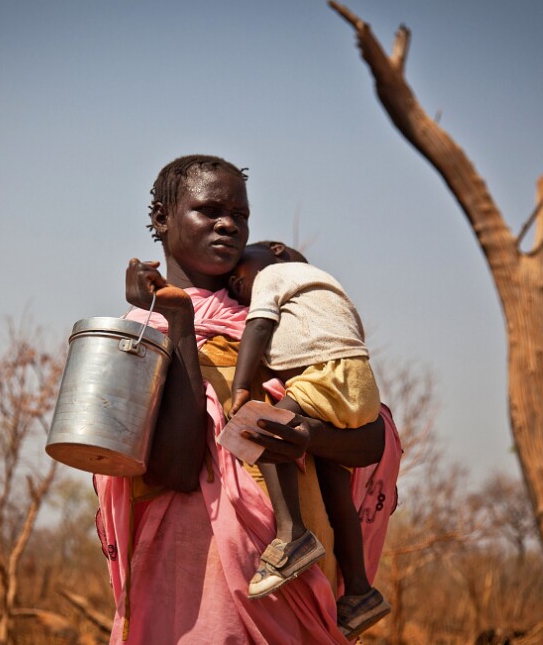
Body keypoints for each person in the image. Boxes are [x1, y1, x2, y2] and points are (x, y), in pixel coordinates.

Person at [94, 154, 401, 644]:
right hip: (196, 588)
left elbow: (367, 440)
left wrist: (306, 435)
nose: (228, 225)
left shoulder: (284, 319)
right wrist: (179, 323)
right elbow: (174, 469)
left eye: (240, 215)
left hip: (298, 579)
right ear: (161, 219)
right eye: (209, 210)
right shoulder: (139, 338)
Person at [227, 241, 391, 636]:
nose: (237, 285)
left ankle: (292, 535)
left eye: (239, 279)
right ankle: (359, 590)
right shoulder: (325, 289)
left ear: (277, 251)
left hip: (326, 376)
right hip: (359, 385)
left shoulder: (274, 274)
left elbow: (259, 325)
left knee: (262, 426)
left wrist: (239, 389)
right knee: (336, 488)